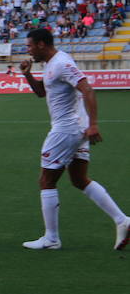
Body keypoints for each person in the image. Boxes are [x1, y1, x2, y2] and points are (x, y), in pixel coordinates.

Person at [18, 29, 129, 250]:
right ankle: (123, 220)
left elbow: (87, 89)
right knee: (79, 179)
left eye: (29, 46)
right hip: (75, 128)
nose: (27, 50)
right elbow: (42, 93)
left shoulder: (60, 63)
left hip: (66, 129)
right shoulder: (51, 64)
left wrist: (94, 124)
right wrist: (28, 74)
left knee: (46, 181)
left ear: (41, 44)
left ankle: (51, 239)